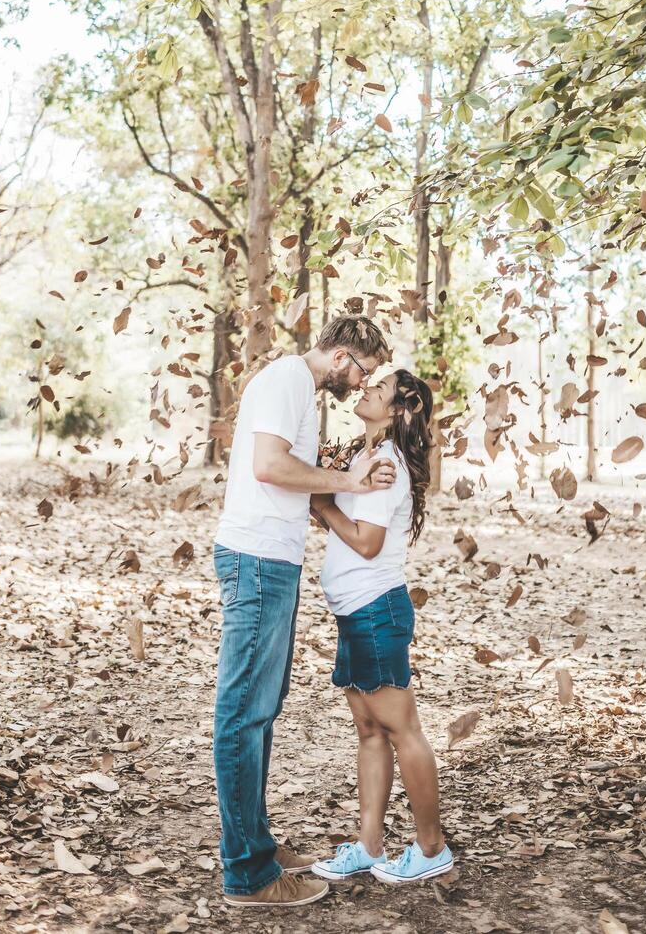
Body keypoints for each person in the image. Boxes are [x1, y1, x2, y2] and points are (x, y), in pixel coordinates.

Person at [212, 315, 395, 909]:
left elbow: (293, 477)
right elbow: (271, 467)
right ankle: (248, 874)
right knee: (244, 712)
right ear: (343, 357)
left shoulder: (298, 389)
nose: (359, 385)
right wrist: (350, 480)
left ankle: (257, 845)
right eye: (363, 372)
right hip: (257, 559)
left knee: (261, 711)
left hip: (274, 561)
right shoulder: (290, 377)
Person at [309, 369, 454, 886]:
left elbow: (367, 542)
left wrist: (323, 504)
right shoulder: (361, 457)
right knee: (369, 731)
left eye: (381, 388)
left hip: (375, 611)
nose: (367, 387)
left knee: (401, 729)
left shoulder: (385, 463)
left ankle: (431, 847)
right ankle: (369, 845)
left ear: (399, 410)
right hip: (356, 613)